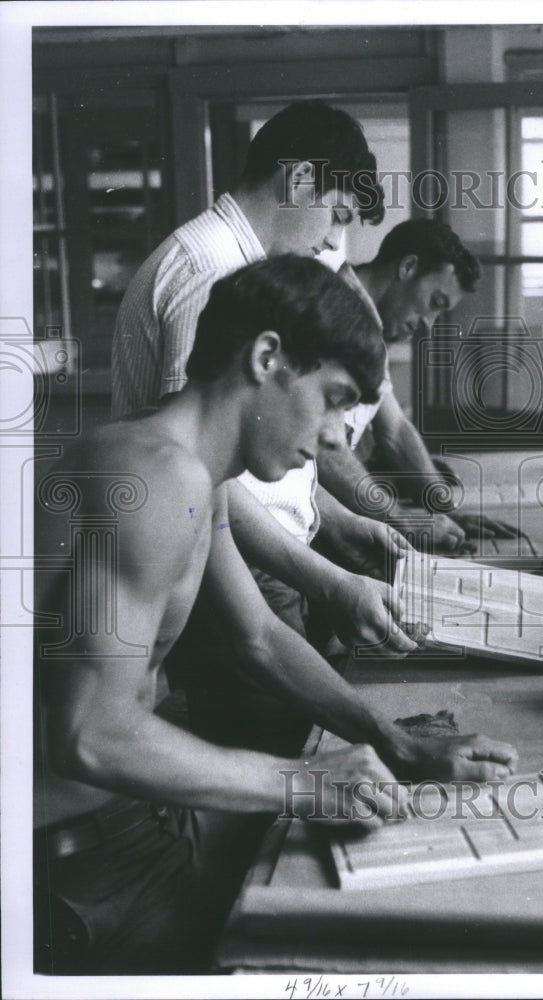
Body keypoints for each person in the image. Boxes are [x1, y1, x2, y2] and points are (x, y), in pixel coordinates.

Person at [35, 257, 518, 974]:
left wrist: (392, 740)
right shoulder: (152, 476)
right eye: (331, 398)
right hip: (78, 862)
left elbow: (256, 637)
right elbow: (90, 734)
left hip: (131, 824)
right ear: (267, 357)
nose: (332, 436)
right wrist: (305, 781)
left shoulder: (191, 469)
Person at [111, 98, 415, 658]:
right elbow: (204, 473)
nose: (330, 243)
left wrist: (337, 520)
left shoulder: (236, 263)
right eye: (338, 216)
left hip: (267, 556)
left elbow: (247, 444)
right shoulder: (211, 268)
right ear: (301, 180)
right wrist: (328, 577)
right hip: (241, 567)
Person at [318, 219, 520, 554]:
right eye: (435, 303)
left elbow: (394, 428)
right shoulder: (333, 313)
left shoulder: (368, 321)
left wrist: (445, 509)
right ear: (408, 266)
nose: (428, 323)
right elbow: (323, 448)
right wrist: (403, 518)